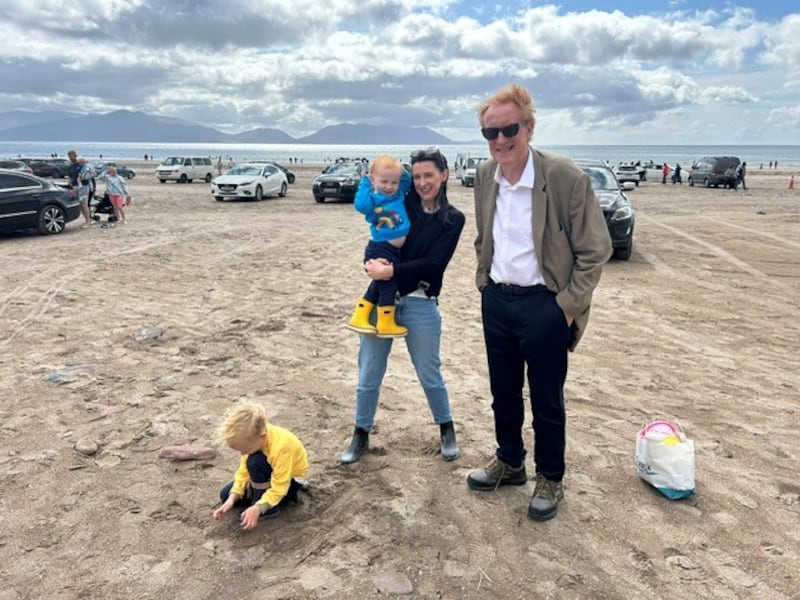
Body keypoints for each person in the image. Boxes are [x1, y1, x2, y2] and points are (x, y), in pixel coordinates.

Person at [467, 83, 612, 521]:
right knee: (502, 392)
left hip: (545, 306)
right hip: (497, 301)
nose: (499, 140)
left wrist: (566, 305)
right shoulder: (483, 176)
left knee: (547, 398)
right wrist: (483, 281)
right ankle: (510, 462)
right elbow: (484, 235)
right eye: (489, 133)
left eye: (509, 129)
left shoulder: (564, 177)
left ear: (528, 127)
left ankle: (550, 476)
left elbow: (596, 249)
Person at [340, 147, 465, 465]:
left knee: (429, 373)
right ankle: (360, 433)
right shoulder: (401, 200)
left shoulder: (452, 220)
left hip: (420, 302)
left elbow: (433, 265)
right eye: (418, 175)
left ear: (444, 176)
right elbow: (378, 233)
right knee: (368, 373)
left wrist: (390, 271)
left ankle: (446, 428)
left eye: (430, 175)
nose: (423, 182)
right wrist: (372, 262)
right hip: (382, 295)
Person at [212, 400, 308, 531]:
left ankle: (268, 508)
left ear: (262, 436)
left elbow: (280, 486)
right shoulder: (255, 438)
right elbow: (243, 471)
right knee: (225, 494)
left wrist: (258, 507)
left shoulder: (282, 447)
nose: (242, 453)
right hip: (268, 474)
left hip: (290, 482)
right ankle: (258, 497)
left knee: (255, 462)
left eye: (244, 449)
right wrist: (232, 497)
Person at [347, 156, 412, 337]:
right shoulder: (373, 199)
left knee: (379, 284)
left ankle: (360, 315)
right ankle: (385, 322)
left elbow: (406, 179)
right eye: (384, 181)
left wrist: (397, 167)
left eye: (394, 182)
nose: (389, 186)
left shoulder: (398, 193)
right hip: (380, 248)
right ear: (374, 179)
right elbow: (360, 205)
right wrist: (366, 182)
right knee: (388, 284)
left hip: (392, 249)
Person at [67, 150, 92, 228]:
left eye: (72, 156)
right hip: (75, 186)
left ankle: (88, 222)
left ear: (75, 155)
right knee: (80, 204)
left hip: (84, 186)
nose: (71, 158)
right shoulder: (70, 166)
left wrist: (84, 177)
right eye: (69, 157)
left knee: (84, 203)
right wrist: (69, 184)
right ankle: (86, 220)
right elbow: (70, 177)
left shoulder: (81, 164)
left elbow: (91, 171)